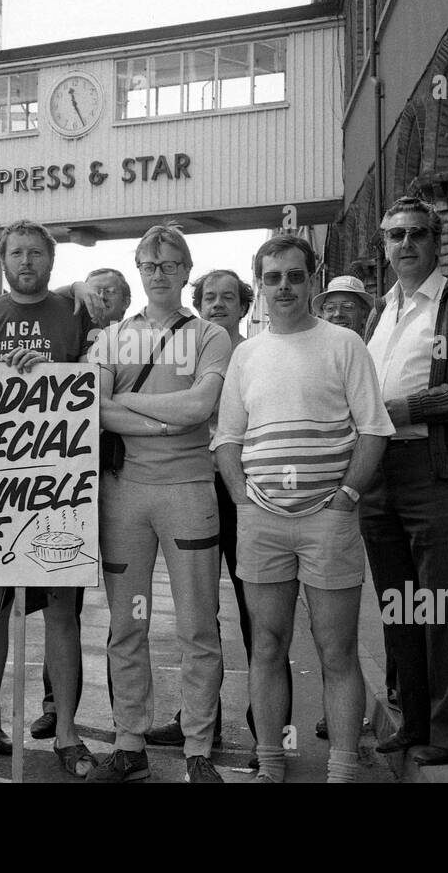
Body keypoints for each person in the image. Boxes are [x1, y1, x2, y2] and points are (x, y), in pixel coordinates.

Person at [213, 234, 394, 783]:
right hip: (262, 520)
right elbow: (226, 439)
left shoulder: (344, 345)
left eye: (294, 275)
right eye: (272, 278)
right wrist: (244, 501)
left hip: (329, 520)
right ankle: (270, 764)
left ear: (312, 278)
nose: (284, 287)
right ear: (261, 286)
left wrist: (345, 499)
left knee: (336, 650)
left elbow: (373, 429)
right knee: (266, 646)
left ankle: (340, 769)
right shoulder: (246, 353)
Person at [359, 195, 448, 767]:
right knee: (399, 605)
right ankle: (413, 720)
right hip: (382, 473)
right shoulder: (382, 311)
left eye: (417, 233)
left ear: (436, 241)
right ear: (385, 245)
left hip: (437, 470)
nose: (406, 244)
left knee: (445, 605)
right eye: (395, 235)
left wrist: (403, 410)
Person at [85, 224, 231, 784]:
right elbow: (94, 408)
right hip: (126, 494)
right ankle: (129, 744)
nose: (160, 273)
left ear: (186, 271)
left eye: (171, 264)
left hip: (190, 492)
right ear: (139, 271)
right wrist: (165, 421)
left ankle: (198, 747)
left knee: (197, 626)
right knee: (127, 624)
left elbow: (202, 405)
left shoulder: (210, 335)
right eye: (150, 265)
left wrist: (131, 407)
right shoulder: (112, 337)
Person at [0, 219, 99, 779]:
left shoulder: (76, 314)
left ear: (50, 260)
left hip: (61, 483)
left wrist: (52, 371)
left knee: (62, 612)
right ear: (2, 259)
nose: (25, 261)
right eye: (16, 252)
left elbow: (95, 379)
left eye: (35, 252)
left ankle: (67, 731)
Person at [144, 268, 292, 752]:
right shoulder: (181, 354)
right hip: (191, 489)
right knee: (197, 614)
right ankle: (197, 720)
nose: (217, 305)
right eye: (209, 297)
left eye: (229, 297)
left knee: (260, 617)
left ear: (246, 305)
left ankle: (268, 733)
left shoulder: (257, 355)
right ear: (198, 302)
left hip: (246, 494)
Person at [28, 266, 131, 743]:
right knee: (61, 603)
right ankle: (56, 705)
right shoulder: (69, 338)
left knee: (125, 606)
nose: (100, 297)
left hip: (123, 481)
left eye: (111, 292)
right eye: (93, 289)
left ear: (126, 304)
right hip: (68, 484)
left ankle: (123, 712)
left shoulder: (139, 340)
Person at [309, 274, 387, 740]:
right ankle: (337, 713)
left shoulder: (369, 352)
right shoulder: (319, 353)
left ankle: (370, 703)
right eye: (332, 306)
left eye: (350, 306)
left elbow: (374, 424)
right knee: (326, 617)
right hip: (333, 499)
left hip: (369, 490)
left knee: (372, 603)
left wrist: (350, 491)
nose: (339, 313)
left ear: (365, 312)